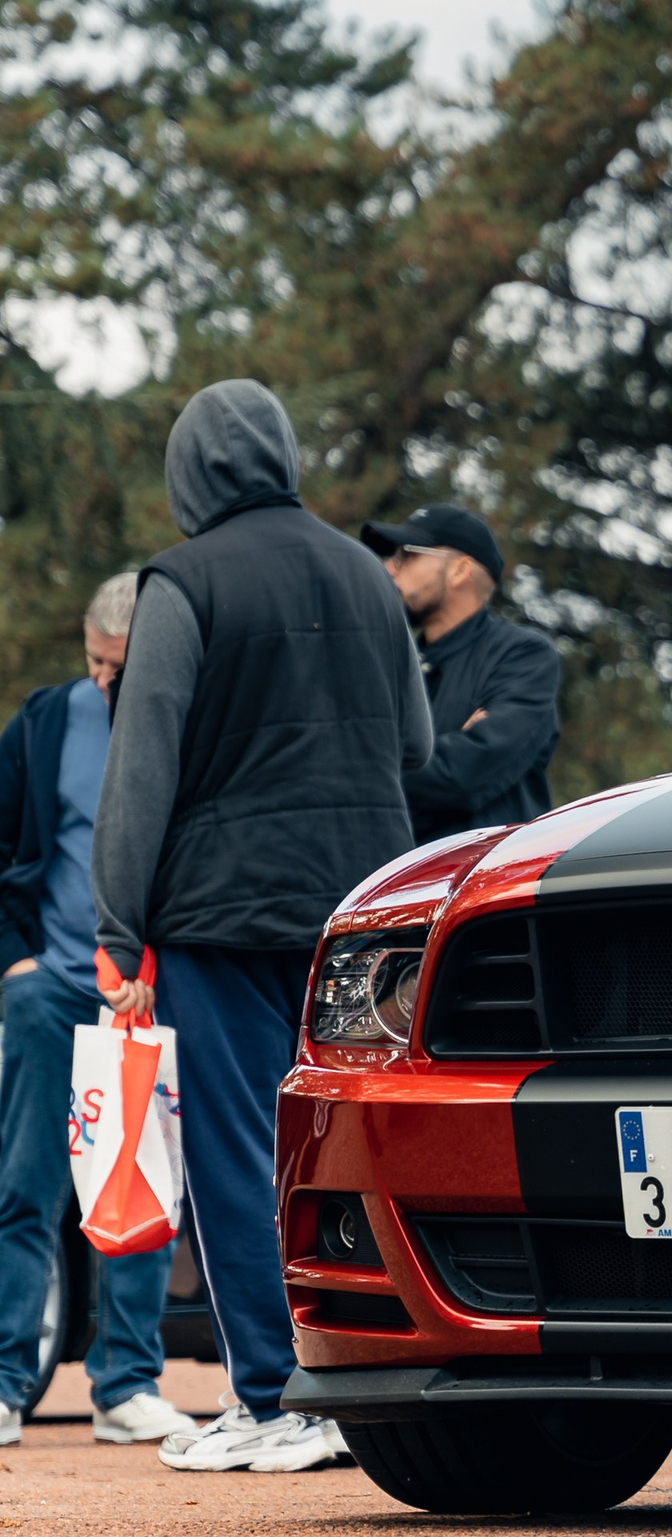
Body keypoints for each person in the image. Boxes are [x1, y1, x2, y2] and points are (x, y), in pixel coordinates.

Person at [94, 381, 430, 1473]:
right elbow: (418, 747)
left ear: (189, 473)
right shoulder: (364, 577)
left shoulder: (182, 581)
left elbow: (141, 766)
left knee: (241, 1152)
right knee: (350, 1141)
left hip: (222, 909)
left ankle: (274, 1399)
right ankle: (361, 1384)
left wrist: (117, 915)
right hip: (359, 905)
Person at [0, 576, 186, 1450]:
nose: (107, 682)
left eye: (122, 667)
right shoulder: (44, 723)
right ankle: (5, 1384)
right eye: (96, 663)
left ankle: (127, 1385)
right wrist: (14, 962)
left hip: (147, 991)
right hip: (53, 986)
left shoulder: (188, 725)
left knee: (140, 1184)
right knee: (23, 1188)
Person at [360, 501, 560, 839]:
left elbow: (461, 775)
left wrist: (371, 768)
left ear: (459, 570)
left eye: (406, 555)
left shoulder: (522, 656)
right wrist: (447, 744)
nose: (389, 569)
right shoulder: (386, 662)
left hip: (486, 883)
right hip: (395, 884)